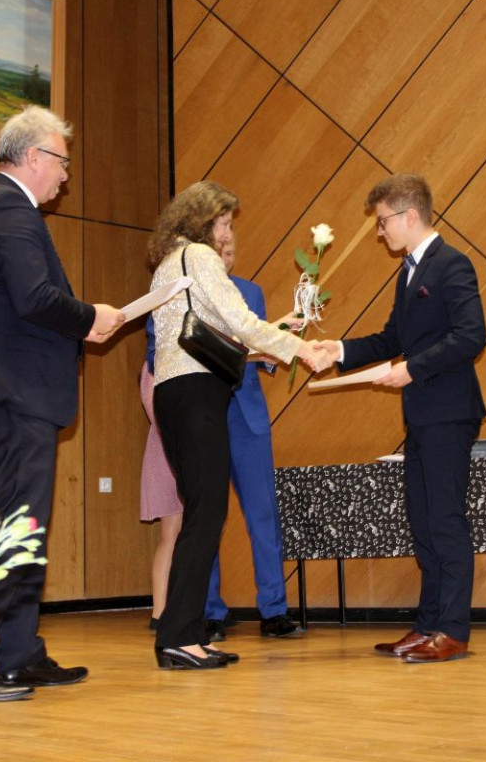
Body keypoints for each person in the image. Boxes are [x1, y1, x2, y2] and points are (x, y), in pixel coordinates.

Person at [0, 105, 126, 702]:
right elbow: (34, 298)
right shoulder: (9, 207)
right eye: (61, 162)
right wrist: (91, 316)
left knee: (25, 525)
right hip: (10, 391)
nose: (66, 176)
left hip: (5, 391)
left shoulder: (0, 205)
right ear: (35, 158)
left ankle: (17, 652)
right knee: (17, 526)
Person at [148, 180, 328, 671]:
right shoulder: (199, 257)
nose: (227, 232)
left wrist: (278, 338)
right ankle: (178, 637)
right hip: (195, 391)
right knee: (206, 516)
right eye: (224, 222)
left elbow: (221, 327)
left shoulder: (170, 261)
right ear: (204, 220)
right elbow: (240, 320)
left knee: (202, 513)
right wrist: (301, 348)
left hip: (175, 393)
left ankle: (183, 632)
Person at [318, 173, 486, 663]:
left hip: (450, 412)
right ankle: (428, 624)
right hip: (422, 416)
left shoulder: (452, 264)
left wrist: (412, 369)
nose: (379, 232)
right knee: (424, 521)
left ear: (410, 217)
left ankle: (452, 630)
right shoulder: (409, 271)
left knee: (446, 521)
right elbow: (394, 337)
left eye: (383, 221)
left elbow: (471, 336)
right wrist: (340, 350)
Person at [204, 233, 301, 640]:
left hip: (248, 419)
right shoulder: (192, 295)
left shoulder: (251, 292)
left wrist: (281, 340)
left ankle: (274, 610)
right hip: (205, 416)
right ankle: (209, 612)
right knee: (207, 517)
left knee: (263, 516)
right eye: (220, 251)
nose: (227, 256)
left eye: (231, 250)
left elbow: (263, 358)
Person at [139, 316, 183, 631]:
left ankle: (180, 609)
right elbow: (158, 411)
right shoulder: (153, 367)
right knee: (170, 536)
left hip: (186, 452)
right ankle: (160, 611)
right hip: (169, 452)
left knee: (184, 536)